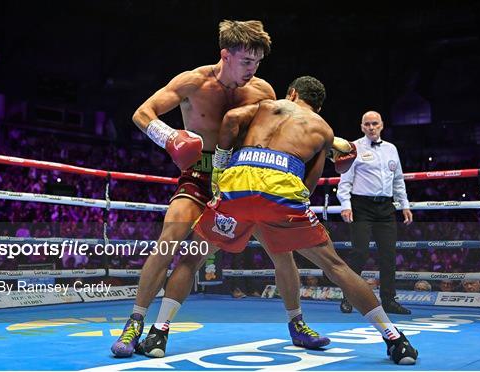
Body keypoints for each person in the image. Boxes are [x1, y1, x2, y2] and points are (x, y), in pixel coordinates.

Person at [111, 20, 323, 358]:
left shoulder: (263, 91)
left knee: (281, 252)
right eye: (246, 61)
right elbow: (142, 113)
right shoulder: (193, 82)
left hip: (243, 177)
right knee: (170, 240)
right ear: (226, 54)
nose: (252, 70)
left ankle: (296, 323)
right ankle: (135, 322)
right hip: (200, 171)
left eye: (257, 62)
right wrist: (169, 138)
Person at [192, 76, 418, 365]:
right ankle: (393, 337)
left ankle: (153, 329)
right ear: (318, 107)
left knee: (195, 258)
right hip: (278, 197)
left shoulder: (262, 107)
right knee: (334, 265)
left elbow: (231, 118)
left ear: (293, 93)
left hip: (236, 190)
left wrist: (219, 170)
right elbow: (308, 190)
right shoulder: (321, 129)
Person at [336, 111, 413, 315]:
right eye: (367, 124)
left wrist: (404, 204)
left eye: (375, 124)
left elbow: (398, 179)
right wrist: (346, 204)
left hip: (386, 207)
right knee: (359, 253)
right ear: (362, 127)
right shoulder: (353, 148)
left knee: (388, 255)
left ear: (381, 125)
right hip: (361, 206)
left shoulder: (391, 149)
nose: (371, 127)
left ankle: (389, 300)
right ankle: (348, 297)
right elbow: (345, 180)